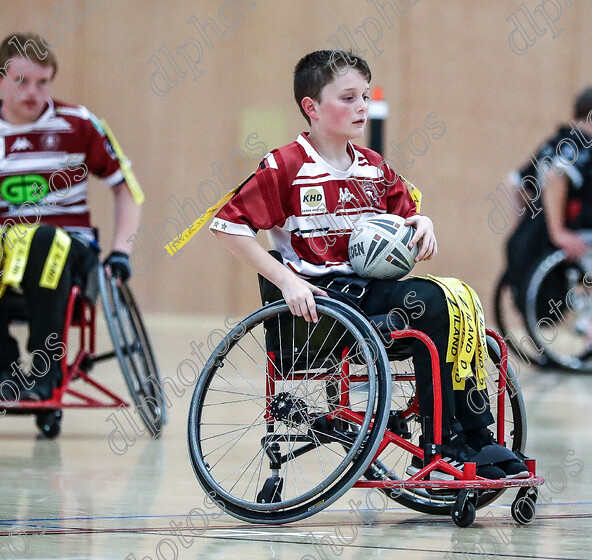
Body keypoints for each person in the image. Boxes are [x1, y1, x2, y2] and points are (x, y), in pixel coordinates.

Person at [209, 50, 528, 479]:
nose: (361, 106)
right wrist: (286, 280)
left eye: (364, 96)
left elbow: (407, 212)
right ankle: (441, 446)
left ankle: (472, 436)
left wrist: (422, 222)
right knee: (435, 300)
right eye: (348, 97)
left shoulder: (373, 168)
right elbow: (225, 226)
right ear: (312, 107)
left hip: (370, 295)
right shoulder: (284, 166)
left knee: (459, 299)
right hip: (324, 304)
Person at [0, 33, 139, 402]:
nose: (33, 92)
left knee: (42, 239)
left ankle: (46, 370)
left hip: (68, 250)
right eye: (21, 81)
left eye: (43, 82)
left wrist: (121, 252)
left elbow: (126, 191)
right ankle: (3, 368)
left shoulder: (78, 124)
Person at [504, 86, 592, 313]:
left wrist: (523, 225)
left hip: (538, 241)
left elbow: (517, 184)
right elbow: (555, 177)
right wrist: (558, 232)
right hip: (571, 238)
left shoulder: (556, 142)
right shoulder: (583, 145)